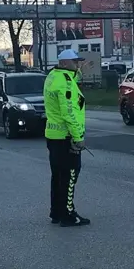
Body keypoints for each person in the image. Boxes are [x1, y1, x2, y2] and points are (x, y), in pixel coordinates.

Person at [43, 49, 89, 227]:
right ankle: (68, 214)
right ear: (64, 63)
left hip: (53, 136)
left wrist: (78, 73)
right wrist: (78, 137)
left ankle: (56, 212)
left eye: (78, 62)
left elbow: (68, 82)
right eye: (75, 62)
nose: (77, 64)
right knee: (70, 175)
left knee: (57, 176)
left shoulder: (53, 76)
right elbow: (69, 112)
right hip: (66, 137)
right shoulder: (65, 83)